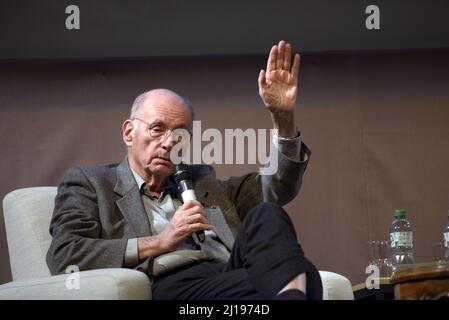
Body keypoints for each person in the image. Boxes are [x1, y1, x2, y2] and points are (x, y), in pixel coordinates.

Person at [46, 40, 322, 300]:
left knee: (268, 213)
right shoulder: (91, 182)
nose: (168, 143)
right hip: (172, 283)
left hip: (228, 273)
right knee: (301, 280)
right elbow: (66, 255)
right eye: (157, 129)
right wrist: (161, 240)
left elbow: (276, 186)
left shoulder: (202, 181)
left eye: (180, 135)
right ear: (129, 132)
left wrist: (283, 119)